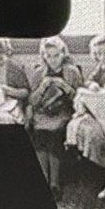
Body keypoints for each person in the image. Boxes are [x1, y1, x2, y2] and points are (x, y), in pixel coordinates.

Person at [26, 35, 82, 196]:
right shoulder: (38, 72)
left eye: (56, 55)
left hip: (64, 112)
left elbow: (79, 100)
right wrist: (42, 88)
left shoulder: (72, 71)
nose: (52, 60)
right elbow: (32, 101)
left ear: (63, 54)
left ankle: (55, 183)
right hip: (43, 113)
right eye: (48, 56)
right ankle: (43, 179)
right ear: (43, 56)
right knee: (40, 134)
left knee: (55, 135)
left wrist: (65, 86)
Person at [66, 32, 105, 171]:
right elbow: (88, 81)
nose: (102, 57)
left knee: (94, 131)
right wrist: (92, 85)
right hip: (103, 113)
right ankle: (96, 168)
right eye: (98, 54)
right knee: (81, 125)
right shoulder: (102, 68)